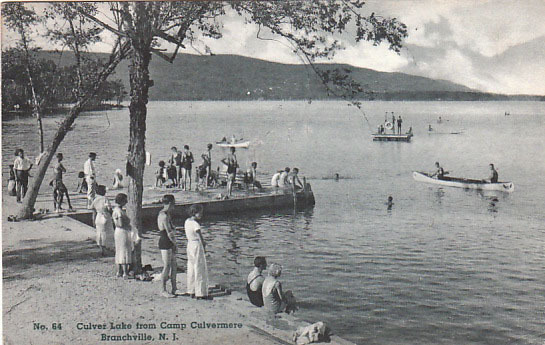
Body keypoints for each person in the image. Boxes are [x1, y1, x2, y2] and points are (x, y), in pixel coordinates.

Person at [183, 204, 210, 300]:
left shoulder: (187, 221)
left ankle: (191, 289)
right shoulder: (195, 224)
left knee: (191, 267)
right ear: (195, 213)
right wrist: (204, 246)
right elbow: (200, 238)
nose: (201, 215)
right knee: (199, 267)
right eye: (200, 213)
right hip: (196, 245)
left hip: (190, 244)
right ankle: (200, 292)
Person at [113, 193, 140, 279]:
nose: (127, 202)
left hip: (118, 232)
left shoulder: (116, 210)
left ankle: (119, 271)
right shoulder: (119, 212)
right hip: (122, 232)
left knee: (119, 251)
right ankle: (125, 272)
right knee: (124, 251)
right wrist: (129, 226)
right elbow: (120, 223)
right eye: (125, 200)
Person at [157, 194, 177, 298]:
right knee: (166, 266)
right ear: (169, 203)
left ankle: (174, 288)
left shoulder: (167, 214)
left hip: (169, 241)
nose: (174, 206)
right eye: (173, 203)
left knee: (174, 265)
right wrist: (175, 244)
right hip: (165, 241)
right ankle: (163, 289)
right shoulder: (163, 216)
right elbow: (169, 232)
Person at [91, 185, 114, 256]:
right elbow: (109, 209)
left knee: (99, 233)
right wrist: (112, 215)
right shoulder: (105, 199)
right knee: (108, 233)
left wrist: (93, 220)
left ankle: (102, 249)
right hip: (105, 216)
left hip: (98, 217)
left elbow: (94, 212)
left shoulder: (95, 200)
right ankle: (108, 248)